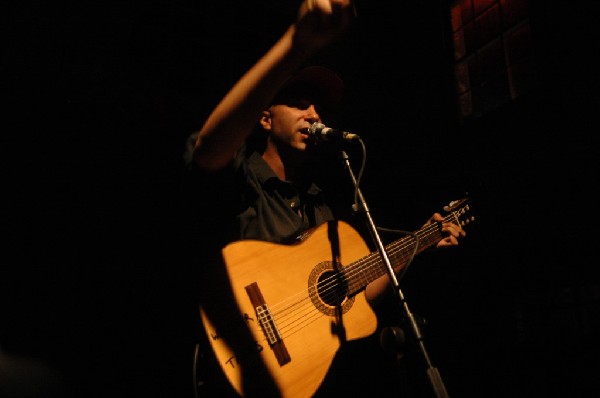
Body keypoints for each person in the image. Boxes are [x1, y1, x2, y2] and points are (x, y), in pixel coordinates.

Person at [183, 0, 466, 396]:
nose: (315, 114)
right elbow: (209, 148)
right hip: (235, 360)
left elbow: (358, 293)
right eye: (299, 104)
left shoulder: (322, 208)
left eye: (319, 107)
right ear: (265, 118)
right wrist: (296, 44)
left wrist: (418, 241)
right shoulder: (242, 177)